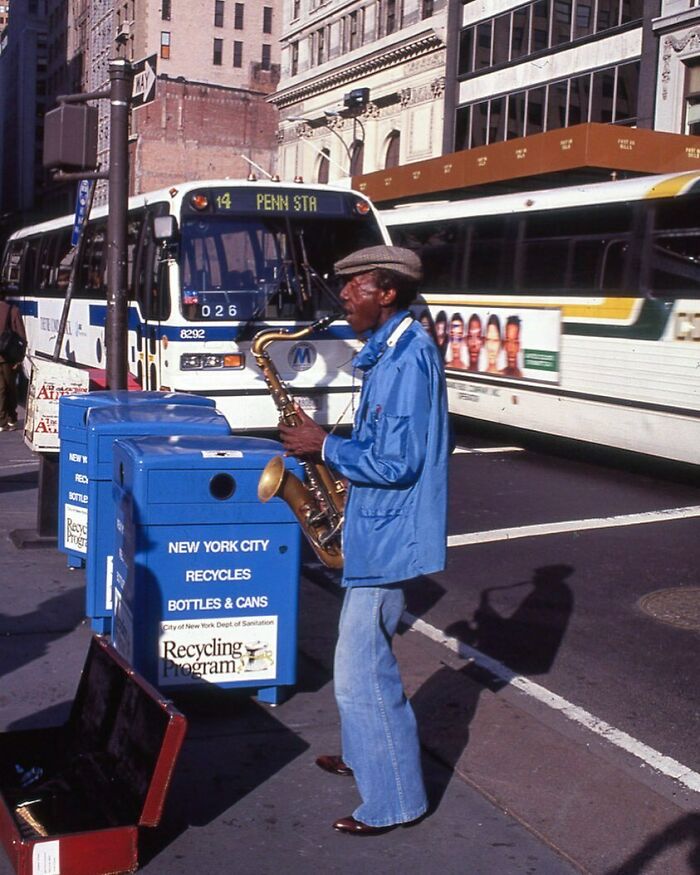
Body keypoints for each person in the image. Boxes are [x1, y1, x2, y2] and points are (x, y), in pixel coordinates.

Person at [278, 245, 449, 836]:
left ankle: (396, 800)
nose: (343, 295)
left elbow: (398, 461)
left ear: (388, 294)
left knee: (360, 673)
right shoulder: (393, 350)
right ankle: (362, 757)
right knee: (361, 658)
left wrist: (324, 446)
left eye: (355, 286)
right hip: (376, 527)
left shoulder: (408, 360)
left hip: (387, 537)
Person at [0, 296, 26, 432]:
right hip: (9, 357)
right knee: (10, 387)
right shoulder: (12, 310)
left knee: (2, 389)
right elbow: (22, 337)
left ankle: (3, 420)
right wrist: (20, 358)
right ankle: (10, 418)